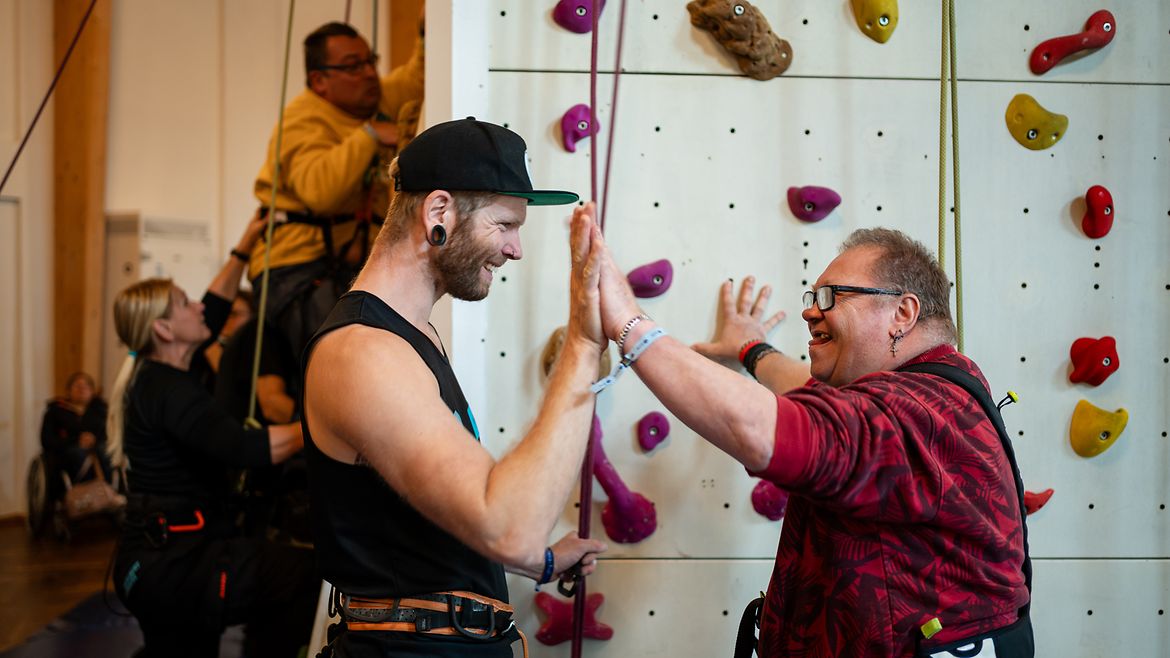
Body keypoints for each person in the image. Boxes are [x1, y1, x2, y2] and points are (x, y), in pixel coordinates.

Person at [591, 227, 1031, 657]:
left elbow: (763, 430)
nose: (810, 312)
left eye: (831, 297)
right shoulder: (941, 390)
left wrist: (629, 324)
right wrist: (752, 349)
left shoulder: (916, 412)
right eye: (812, 297)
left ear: (903, 313)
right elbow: (811, 391)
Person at [302, 118, 607, 656]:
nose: (516, 250)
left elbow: (439, 515)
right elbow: (506, 526)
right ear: (439, 212)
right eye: (505, 224)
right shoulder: (363, 353)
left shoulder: (412, 337)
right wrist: (584, 341)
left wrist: (542, 560)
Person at [108, 244, 318, 656]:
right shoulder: (169, 391)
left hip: (158, 560)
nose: (199, 307)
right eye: (184, 303)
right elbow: (246, 447)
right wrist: (325, 426)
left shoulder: (157, 373)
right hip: (175, 567)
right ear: (164, 331)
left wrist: (245, 245)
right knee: (303, 577)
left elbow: (215, 307)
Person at [251, 17, 426, 355]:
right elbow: (321, 192)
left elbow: (416, 79)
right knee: (352, 354)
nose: (368, 73)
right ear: (319, 81)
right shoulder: (301, 122)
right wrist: (370, 135)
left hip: (348, 265)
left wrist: (424, 32)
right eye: (352, 66)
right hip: (296, 272)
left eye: (369, 61)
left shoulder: (372, 103)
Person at [39, 372, 111, 496]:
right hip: (67, 452)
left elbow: (110, 434)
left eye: (86, 386)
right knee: (78, 454)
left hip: (98, 450)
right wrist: (76, 440)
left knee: (108, 453)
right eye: (77, 386)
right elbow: (47, 440)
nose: (82, 389)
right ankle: (83, 495)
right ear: (68, 390)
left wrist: (94, 439)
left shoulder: (101, 411)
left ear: (92, 391)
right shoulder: (55, 412)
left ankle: (108, 492)